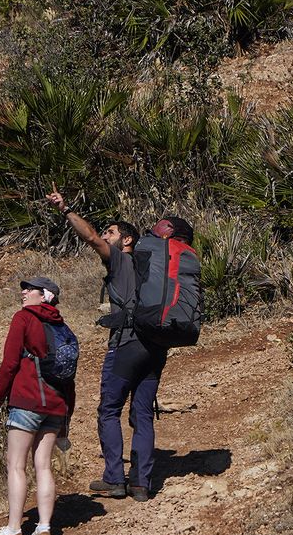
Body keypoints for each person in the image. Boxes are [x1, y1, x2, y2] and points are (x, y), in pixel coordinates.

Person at [46, 191, 187, 502]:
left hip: (125, 346)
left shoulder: (121, 261)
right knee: (142, 414)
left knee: (109, 411)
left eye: (112, 232)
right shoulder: (156, 271)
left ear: (126, 242)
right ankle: (141, 484)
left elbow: (92, 238)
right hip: (155, 348)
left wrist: (65, 208)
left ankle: (114, 479)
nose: (106, 236)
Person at [0, 276, 73, 535]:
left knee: (16, 465)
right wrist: (66, 416)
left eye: (29, 289)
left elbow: (10, 363)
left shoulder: (24, 318)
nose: (23, 292)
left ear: (44, 296)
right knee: (43, 464)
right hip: (56, 406)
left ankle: (13, 531)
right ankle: (44, 529)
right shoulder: (64, 328)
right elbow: (69, 376)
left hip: (27, 402)